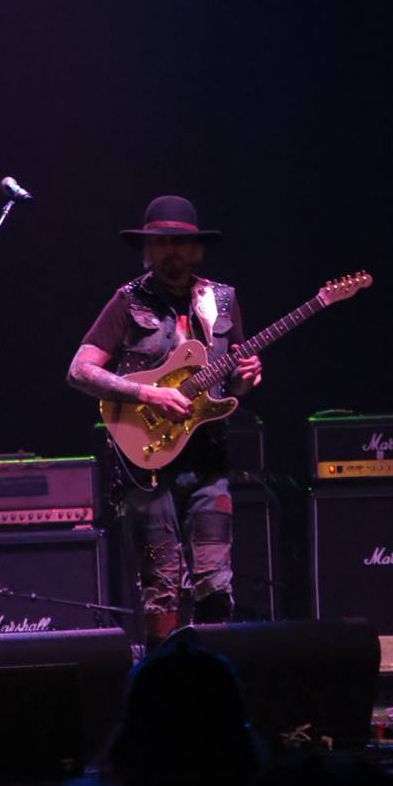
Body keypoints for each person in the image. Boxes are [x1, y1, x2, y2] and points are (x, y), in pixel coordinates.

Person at [67, 195, 262, 647]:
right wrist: (147, 393)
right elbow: (80, 371)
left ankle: (212, 672)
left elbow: (233, 384)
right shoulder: (128, 301)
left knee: (216, 585)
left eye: (178, 243)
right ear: (147, 250)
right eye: (160, 243)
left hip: (208, 462)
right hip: (147, 467)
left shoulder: (222, 300)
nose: (169, 252)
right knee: (161, 587)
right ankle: (161, 677)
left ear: (196, 249)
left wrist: (246, 378)